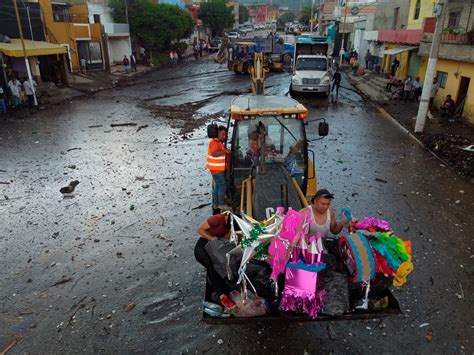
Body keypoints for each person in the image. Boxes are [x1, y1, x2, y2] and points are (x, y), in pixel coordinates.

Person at [195, 213, 236, 311]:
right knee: (211, 268)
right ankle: (222, 296)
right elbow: (199, 229)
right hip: (203, 247)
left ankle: (222, 289)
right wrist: (212, 239)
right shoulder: (218, 219)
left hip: (214, 248)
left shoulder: (229, 226)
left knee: (220, 268)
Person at [308, 189, 351, 253]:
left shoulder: (330, 211)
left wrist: (342, 223)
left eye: (328, 204)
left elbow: (334, 231)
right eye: (322, 204)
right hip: (308, 249)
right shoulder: (306, 212)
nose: (325, 207)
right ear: (315, 201)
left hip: (323, 248)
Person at [206, 126, 231, 214]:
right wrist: (225, 151)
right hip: (217, 169)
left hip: (215, 168)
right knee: (222, 185)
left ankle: (215, 204)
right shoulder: (214, 142)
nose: (224, 136)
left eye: (226, 135)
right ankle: (221, 204)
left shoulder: (218, 142)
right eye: (223, 134)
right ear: (217, 133)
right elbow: (214, 153)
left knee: (217, 187)